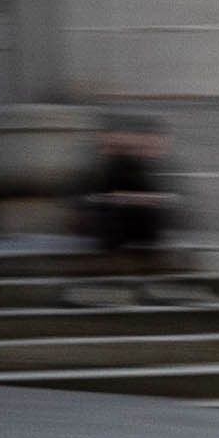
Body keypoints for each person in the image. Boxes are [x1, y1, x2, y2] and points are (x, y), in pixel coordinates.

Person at [71, 117, 192, 303]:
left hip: (136, 225)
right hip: (106, 226)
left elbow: (169, 196)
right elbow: (82, 196)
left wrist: (144, 199)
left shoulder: (136, 165)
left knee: (150, 215)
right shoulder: (97, 167)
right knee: (113, 216)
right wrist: (113, 199)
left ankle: (152, 278)